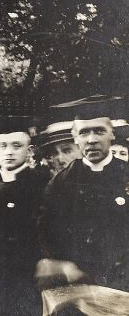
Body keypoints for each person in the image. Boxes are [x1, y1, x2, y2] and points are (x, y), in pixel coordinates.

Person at [38, 108, 128, 293]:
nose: (92, 139)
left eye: (99, 131)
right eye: (84, 132)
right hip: (79, 284)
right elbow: (46, 231)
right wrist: (64, 266)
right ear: (75, 137)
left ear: (112, 134)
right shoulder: (60, 183)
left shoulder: (125, 174)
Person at [0, 120, 50, 316]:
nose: (9, 152)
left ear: (29, 151)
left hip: (27, 272)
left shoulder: (40, 184)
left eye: (16, 146)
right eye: (3, 146)